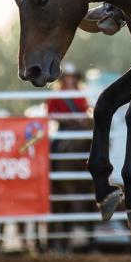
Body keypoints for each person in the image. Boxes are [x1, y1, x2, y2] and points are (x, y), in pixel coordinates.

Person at [45, 62, 92, 252]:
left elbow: (86, 111)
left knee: (92, 146)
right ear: (63, 79)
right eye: (68, 77)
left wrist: (82, 119)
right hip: (64, 131)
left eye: (73, 77)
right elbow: (51, 115)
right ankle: (51, 174)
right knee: (53, 149)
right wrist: (69, 119)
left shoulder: (80, 95)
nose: (70, 80)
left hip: (79, 131)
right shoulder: (56, 96)